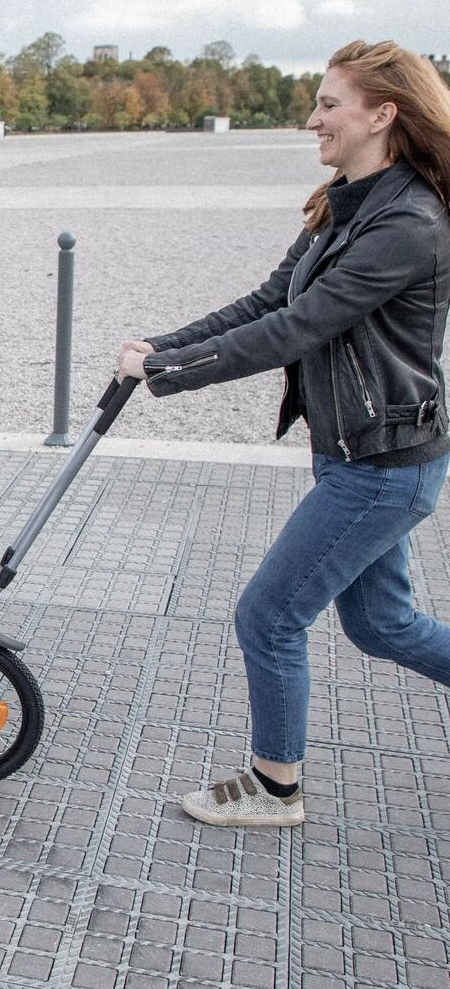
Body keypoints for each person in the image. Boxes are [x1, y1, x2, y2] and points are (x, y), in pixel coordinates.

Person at [115, 40, 450, 827]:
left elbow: (298, 329)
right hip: (355, 456)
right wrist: (160, 347)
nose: (314, 119)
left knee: (268, 615)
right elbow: (268, 300)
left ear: (383, 113)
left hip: (384, 463)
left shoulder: (411, 224)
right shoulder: (347, 198)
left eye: (330, 104)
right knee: (382, 626)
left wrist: (172, 374)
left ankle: (275, 787)